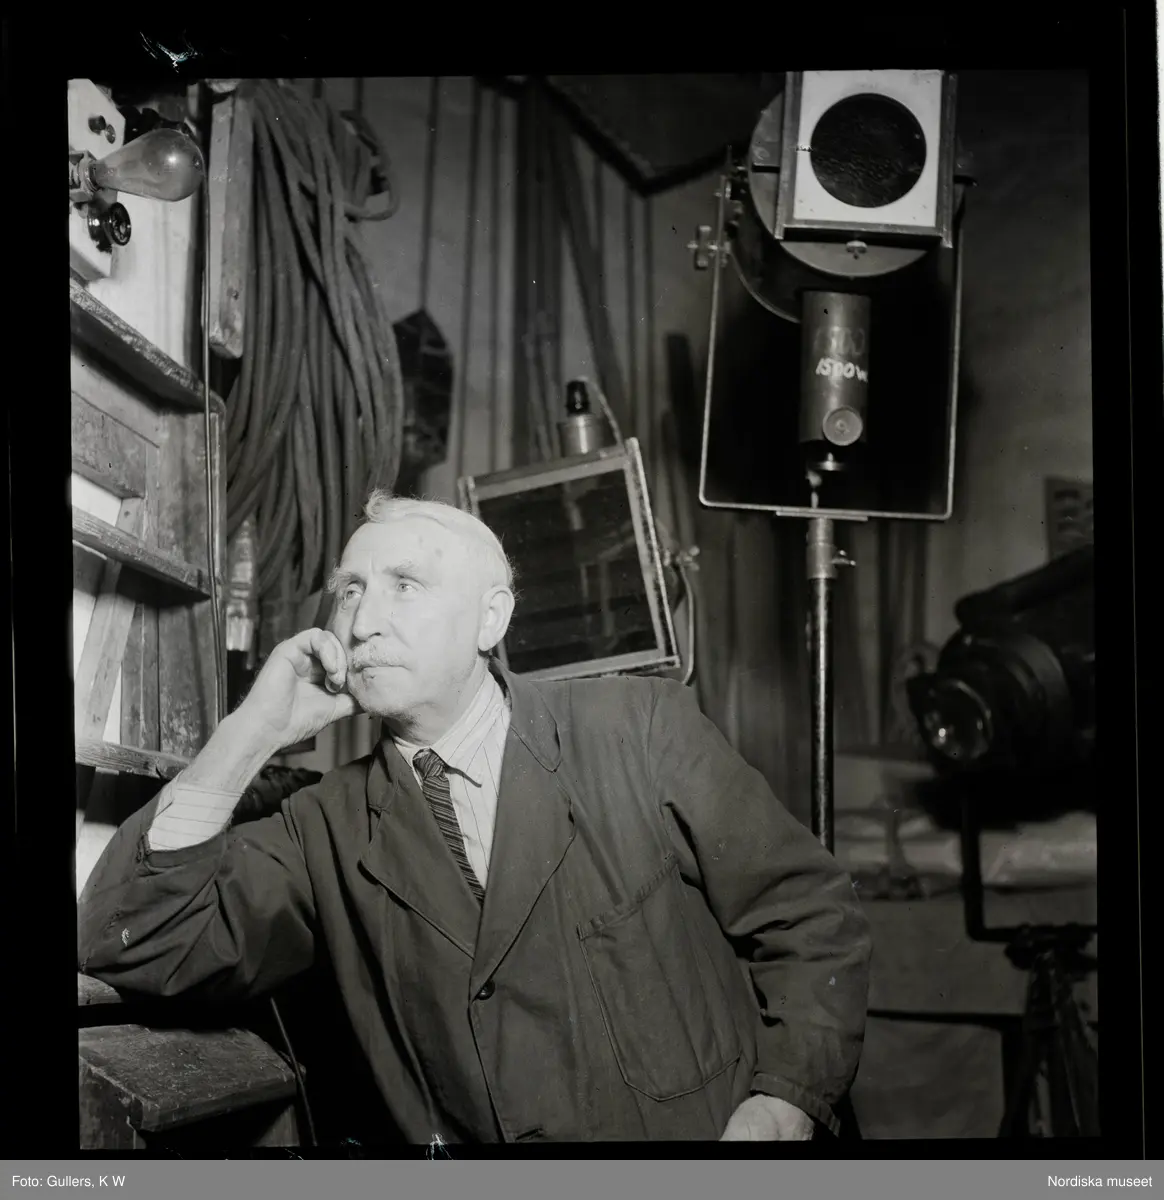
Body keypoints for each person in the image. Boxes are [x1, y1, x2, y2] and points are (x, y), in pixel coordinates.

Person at [78, 490, 872, 1144]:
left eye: (404, 586)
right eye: (350, 590)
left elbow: (812, 918)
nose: (362, 621)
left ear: (491, 619)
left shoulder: (638, 729)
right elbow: (135, 939)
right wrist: (250, 733)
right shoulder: (321, 825)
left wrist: (784, 1102)